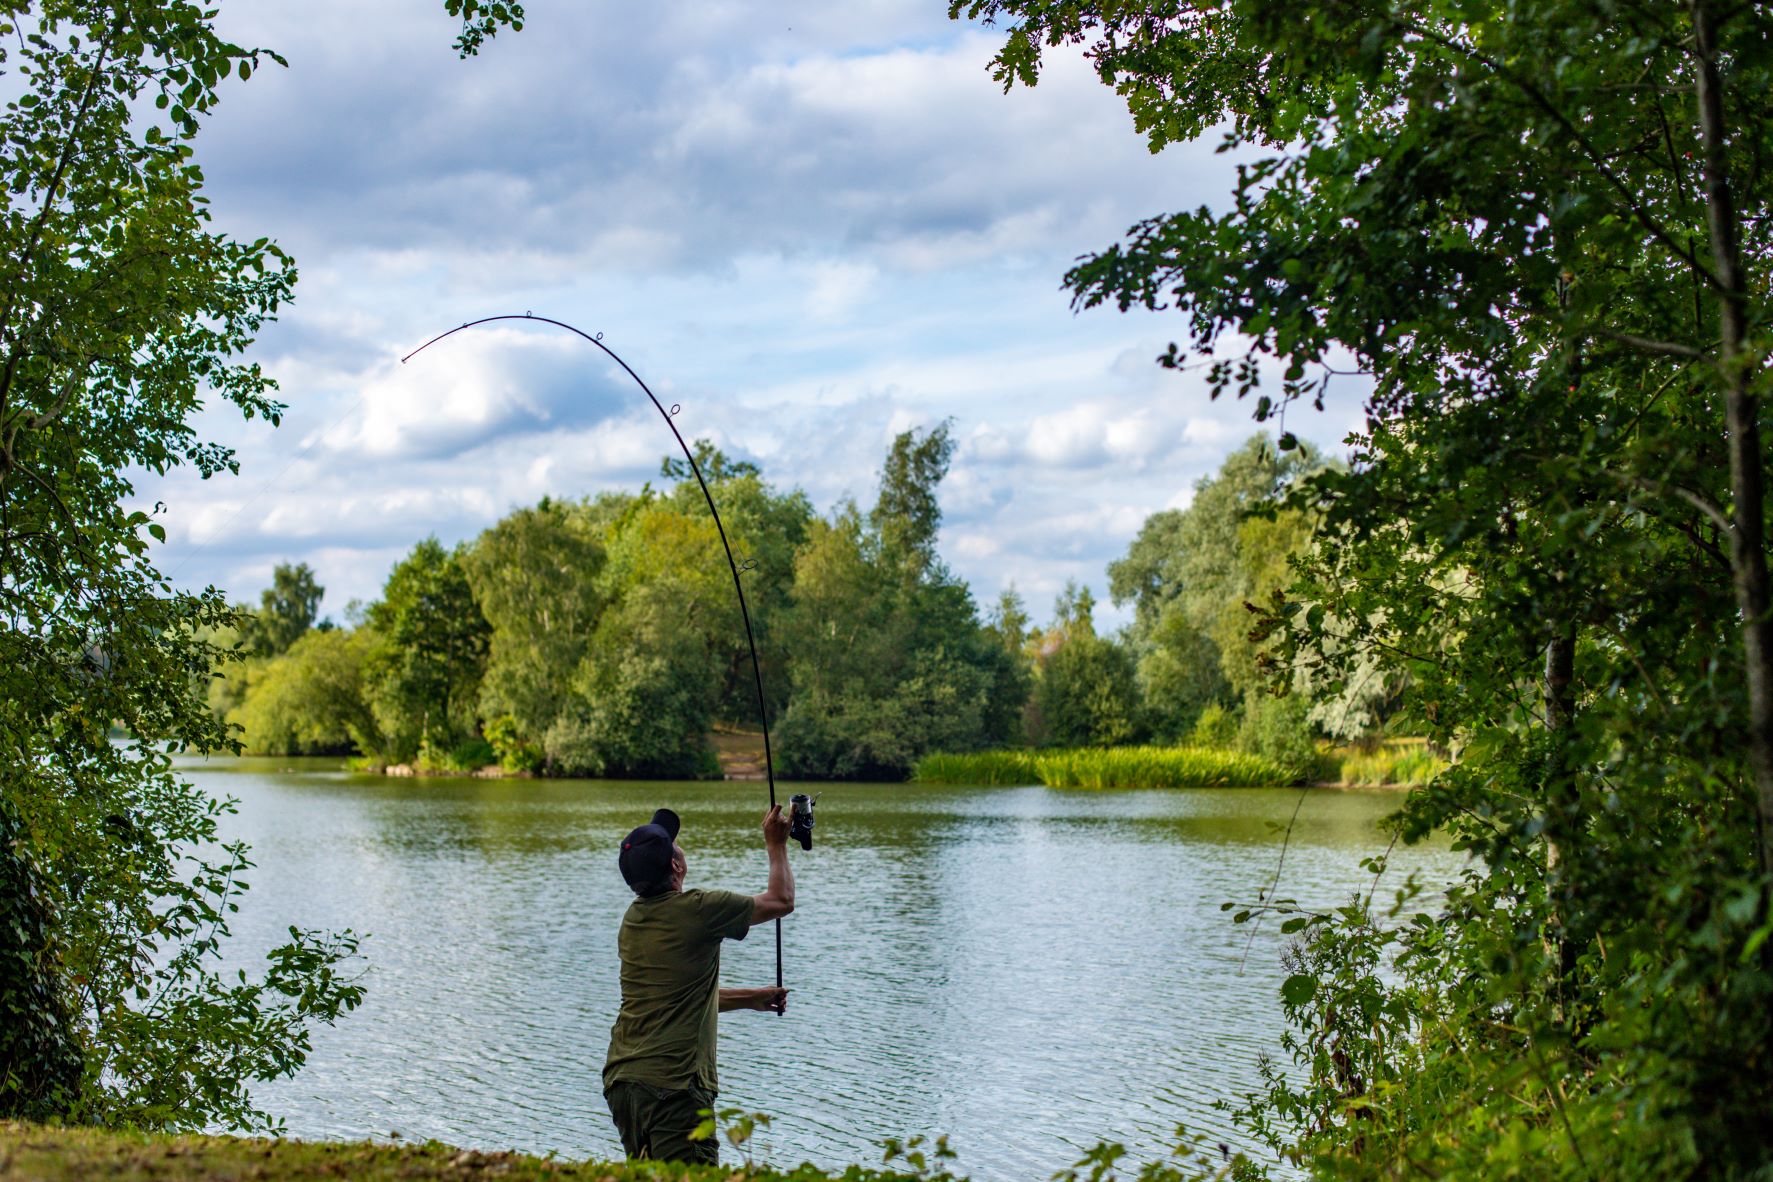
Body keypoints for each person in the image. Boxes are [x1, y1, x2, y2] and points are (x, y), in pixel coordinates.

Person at [602, 803, 795, 1164]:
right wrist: (776, 843)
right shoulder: (700, 909)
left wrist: (753, 998)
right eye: (673, 845)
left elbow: (678, 997)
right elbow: (780, 901)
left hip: (624, 1083)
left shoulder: (632, 922)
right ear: (676, 866)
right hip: (673, 1086)